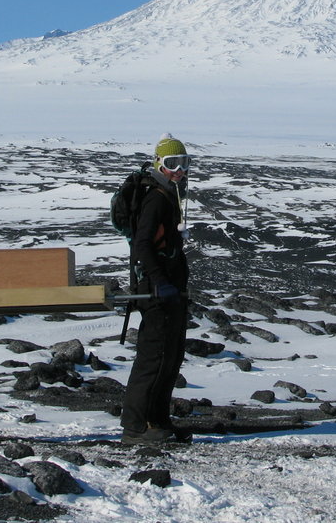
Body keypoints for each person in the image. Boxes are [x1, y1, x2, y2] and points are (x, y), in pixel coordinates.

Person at [120, 133, 192, 445]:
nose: (179, 170)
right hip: (156, 290)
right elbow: (142, 244)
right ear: (159, 164)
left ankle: (158, 419)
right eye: (172, 163)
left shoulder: (168, 194)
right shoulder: (155, 198)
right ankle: (136, 426)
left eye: (184, 163)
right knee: (154, 356)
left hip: (169, 287)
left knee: (171, 356)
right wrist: (159, 281)